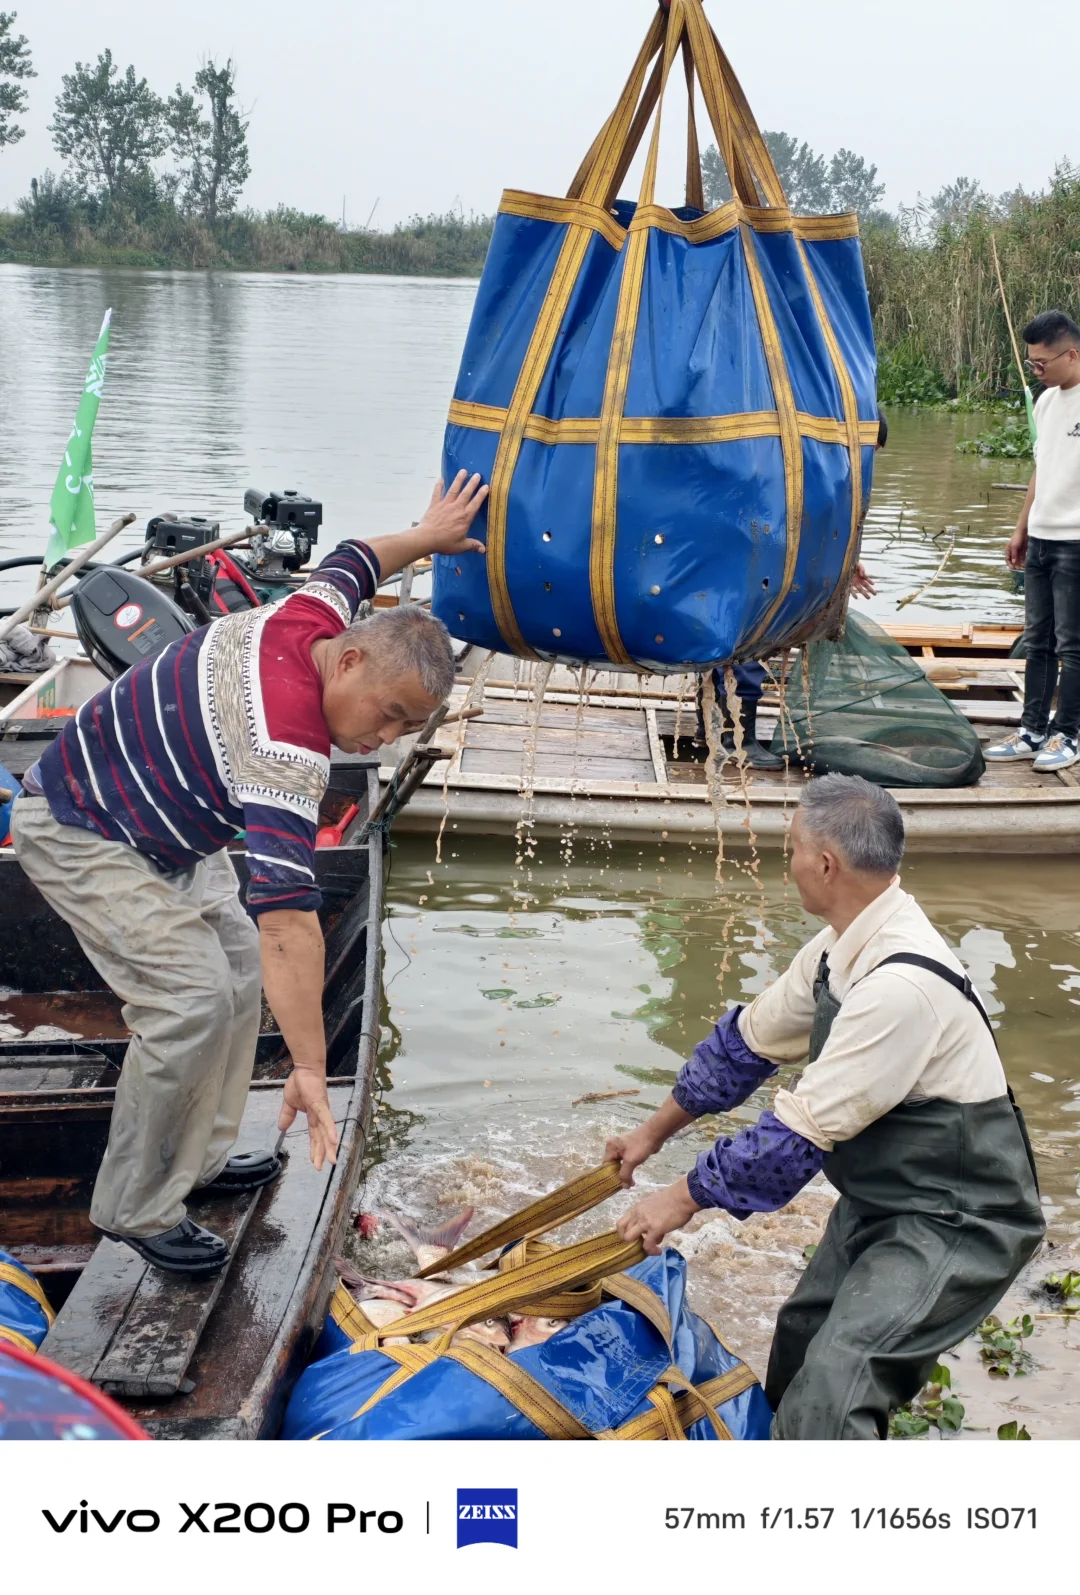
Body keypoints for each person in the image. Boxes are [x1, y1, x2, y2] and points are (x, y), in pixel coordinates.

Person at [10, 471, 489, 1277]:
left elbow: (353, 558)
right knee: (190, 999)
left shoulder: (316, 616)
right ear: (351, 664)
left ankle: (195, 1157)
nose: (386, 739)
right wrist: (307, 1068)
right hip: (80, 826)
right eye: (389, 715)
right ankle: (134, 1205)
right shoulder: (287, 745)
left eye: (408, 729)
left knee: (232, 975)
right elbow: (289, 923)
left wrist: (428, 534)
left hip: (163, 828)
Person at [605, 773, 1043, 1439]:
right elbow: (744, 1046)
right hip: (882, 1198)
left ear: (826, 863)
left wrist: (678, 1198)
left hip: (957, 1217)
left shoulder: (900, 985)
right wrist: (650, 1134)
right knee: (800, 1343)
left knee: (837, 1388)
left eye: (791, 849)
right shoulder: (842, 945)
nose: (789, 864)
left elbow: (791, 1141)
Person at [698, 408, 885, 769]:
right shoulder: (810, 462)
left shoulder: (809, 453)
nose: (868, 461)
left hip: (738, 555)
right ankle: (737, 741)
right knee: (748, 643)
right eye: (869, 451)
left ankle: (711, 729)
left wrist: (846, 562)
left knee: (728, 640)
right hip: (752, 557)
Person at [987, 309, 1080, 772]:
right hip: (1042, 537)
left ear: (1072, 353)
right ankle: (1033, 730)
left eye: (1042, 363)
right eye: (1031, 364)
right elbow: (1042, 469)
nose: (1036, 371)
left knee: (1072, 644)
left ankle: (1068, 734)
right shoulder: (1045, 403)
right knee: (1037, 639)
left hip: (1076, 542)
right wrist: (1022, 527)